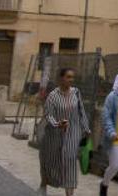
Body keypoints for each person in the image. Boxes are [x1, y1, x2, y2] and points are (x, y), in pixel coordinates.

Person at [40, 67, 90, 196]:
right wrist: (57, 124)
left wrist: (86, 128)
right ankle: (44, 183)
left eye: (72, 77)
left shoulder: (76, 93)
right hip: (54, 134)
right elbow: (48, 114)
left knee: (70, 161)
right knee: (50, 161)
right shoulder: (53, 95)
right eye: (68, 77)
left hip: (73, 133)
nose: (71, 80)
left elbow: (81, 111)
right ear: (61, 78)